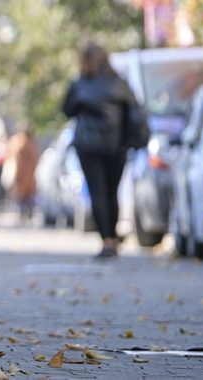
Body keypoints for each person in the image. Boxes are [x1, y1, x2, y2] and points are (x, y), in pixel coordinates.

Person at [61, 43, 144, 258]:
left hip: (89, 147)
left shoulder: (80, 84)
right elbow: (135, 113)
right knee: (111, 192)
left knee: (97, 192)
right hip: (116, 146)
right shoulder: (119, 84)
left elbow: (67, 109)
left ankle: (107, 239)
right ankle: (113, 238)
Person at [4, 125, 39, 221]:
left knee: (22, 194)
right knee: (25, 194)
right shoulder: (27, 143)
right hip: (27, 174)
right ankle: (25, 211)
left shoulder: (18, 142)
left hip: (23, 174)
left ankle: (23, 211)